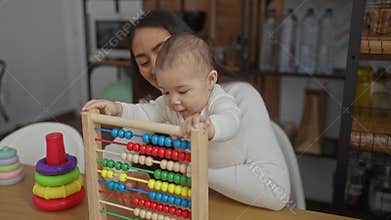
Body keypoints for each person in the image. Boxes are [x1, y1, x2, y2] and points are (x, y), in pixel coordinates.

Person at [86, 10, 290, 210]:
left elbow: (276, 192)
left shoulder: (236, 98)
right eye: (143, 62)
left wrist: (199, 169)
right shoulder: (163, 104)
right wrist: (129, 176)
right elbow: (113, 153)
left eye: (164, 50)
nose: (157, 67)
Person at [83, 33, 241, 143]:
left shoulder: (218, 99)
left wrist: (209, 126)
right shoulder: (167, 106)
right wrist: (117, 108)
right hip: (192, 177)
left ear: (210, 80)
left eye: (183, 91)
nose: (173, 100)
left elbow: (231, 120)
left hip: (225, 178)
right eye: (165, 91)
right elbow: (143, 113)